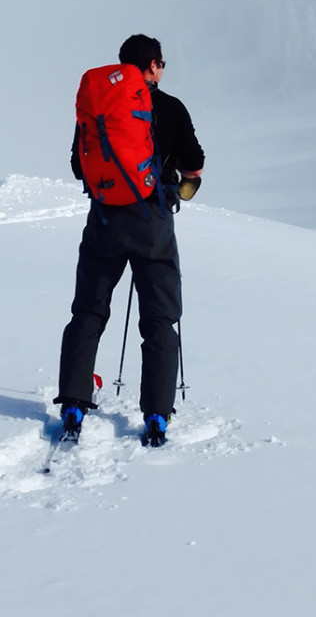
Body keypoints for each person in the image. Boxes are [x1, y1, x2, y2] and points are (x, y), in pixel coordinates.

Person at [54, 34, 205, 446]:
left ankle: (72, 401)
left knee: (88, 311)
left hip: (104, 220)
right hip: (152, 221)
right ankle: (156, 414)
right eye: (162, 64)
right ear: (153, 66)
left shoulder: (99, 105)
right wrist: (180, 187)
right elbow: (195, 164)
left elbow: (77, 166)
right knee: (158, 318)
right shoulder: (171, 107)